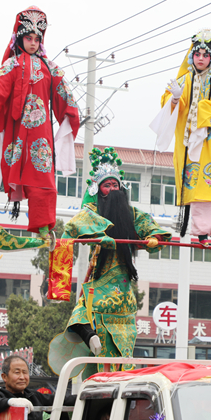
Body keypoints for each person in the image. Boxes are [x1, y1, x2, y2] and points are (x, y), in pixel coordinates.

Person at [58, 148, 171, 377]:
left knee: (123, 347)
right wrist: (101, 234)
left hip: (124, 286)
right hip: (100, 275)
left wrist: (153, 237)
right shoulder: (92, 210)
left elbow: (151, 227)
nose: (112, 189)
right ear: (98, 190)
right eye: (106, 185)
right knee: (82, 312)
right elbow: (77, 225)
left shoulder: (131, 213)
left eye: (115, 185)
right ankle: (90, 336)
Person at [0, 6, 80, 239]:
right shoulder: (11, 65)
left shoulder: (50, 68)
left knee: (43, 179)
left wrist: (70, 114)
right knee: (22, 172)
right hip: (17, 132)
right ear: (20, 38)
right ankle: (38, 226)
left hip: (42, 136)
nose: (33, 43)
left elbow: (64, 95)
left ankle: (44, 228)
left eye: (37, 39)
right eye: (28, 38)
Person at [152, 29, 211, 242]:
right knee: (189, 180)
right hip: (186, 140)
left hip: (205, 139)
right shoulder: (184, 80)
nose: (200, 58)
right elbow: (170, 105)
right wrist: (175, 98)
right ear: (192, 56)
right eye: (197, 54)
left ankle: (204, 230)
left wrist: (201, 110)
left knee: (207, 183)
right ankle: (189, 226)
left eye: (205, 55)